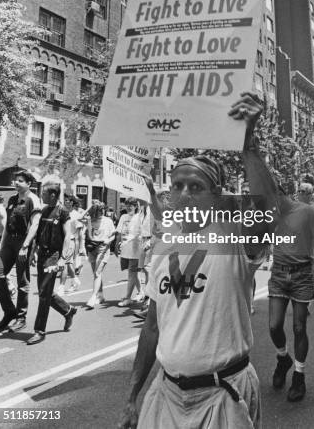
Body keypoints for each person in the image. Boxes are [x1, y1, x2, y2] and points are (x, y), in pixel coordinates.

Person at [118, 91, 278, 429]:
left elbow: (266, 211)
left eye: (196, 186)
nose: (185, 193)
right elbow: (152, 326)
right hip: (166, 394)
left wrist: (248, 144)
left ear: (216, 195)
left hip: (224, 393)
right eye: (178, 185)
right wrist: (133, 394)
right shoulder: (165, 245)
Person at [267, 184, 314, 403]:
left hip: (302, 275)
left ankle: (299, 375)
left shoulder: (308, 211)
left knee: (299, 326)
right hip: (278, 274)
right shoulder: (269, 214)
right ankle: (282, 358)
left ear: (281, 194)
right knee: (274, 326)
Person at [26, 182, 77, 345]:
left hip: (54, 256)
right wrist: (34, 251)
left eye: (44, 193)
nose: (42, 196)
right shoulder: (45, 209)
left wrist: (63, 259)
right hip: (42, 254)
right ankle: (68, 310)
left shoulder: (63, 212)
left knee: (43, 293)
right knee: (45, 291)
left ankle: (39, 331)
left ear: (53, 195)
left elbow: (68, 235)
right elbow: (39, 233)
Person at [0, 171, 41, 332]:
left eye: (20, 180)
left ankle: (21, 318)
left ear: (29, 183)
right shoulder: (13, 199)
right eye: (15, 180)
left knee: (22, 282)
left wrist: (26, 246)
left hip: (24, 241)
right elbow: (8, 224)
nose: (16, 182)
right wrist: (1, 245)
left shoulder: (33, 200)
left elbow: (34, 225)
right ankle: (9, 312)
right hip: (9, 242)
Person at [85, 200, 116, 308]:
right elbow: (80, 217)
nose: (101, 212)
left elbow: (113, 235)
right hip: (92, 248)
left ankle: (93, 297)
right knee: (96, 273)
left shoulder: (108, 221)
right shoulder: (90, 220)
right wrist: (90, 206)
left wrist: (109, 240)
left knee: (97, 273)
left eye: (102, 209)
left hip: (103, 247)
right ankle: (101, 295)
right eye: (98, 210)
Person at [115, 199, 143, 307]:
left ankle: (128, 298)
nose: (129, 207)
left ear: (136, 206)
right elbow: (119, 232)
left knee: (132, 271)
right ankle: (141, 292)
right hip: (125, 248)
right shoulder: (123, 217)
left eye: (131, 205)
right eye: (127, 205)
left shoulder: (139, 217)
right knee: (132, 272)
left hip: (136, 248)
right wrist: (116, 244)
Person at [57, 195, 84, 295]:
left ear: (72, 202)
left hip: (71, 241)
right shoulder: (63, 212)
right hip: (62, 241)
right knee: (68, 264)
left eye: (67, 200)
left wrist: (79, 249)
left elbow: (79, 235)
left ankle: (61, 287)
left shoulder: (76, 215)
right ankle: (75, 280)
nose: (65, 202)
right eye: (65, 200)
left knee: (64, 263)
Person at [0, 194, 16, 298]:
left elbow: (5, 229)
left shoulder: (0, 210)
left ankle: (10, 286)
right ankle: (10, 286)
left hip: (0, 240)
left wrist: (1, 245)